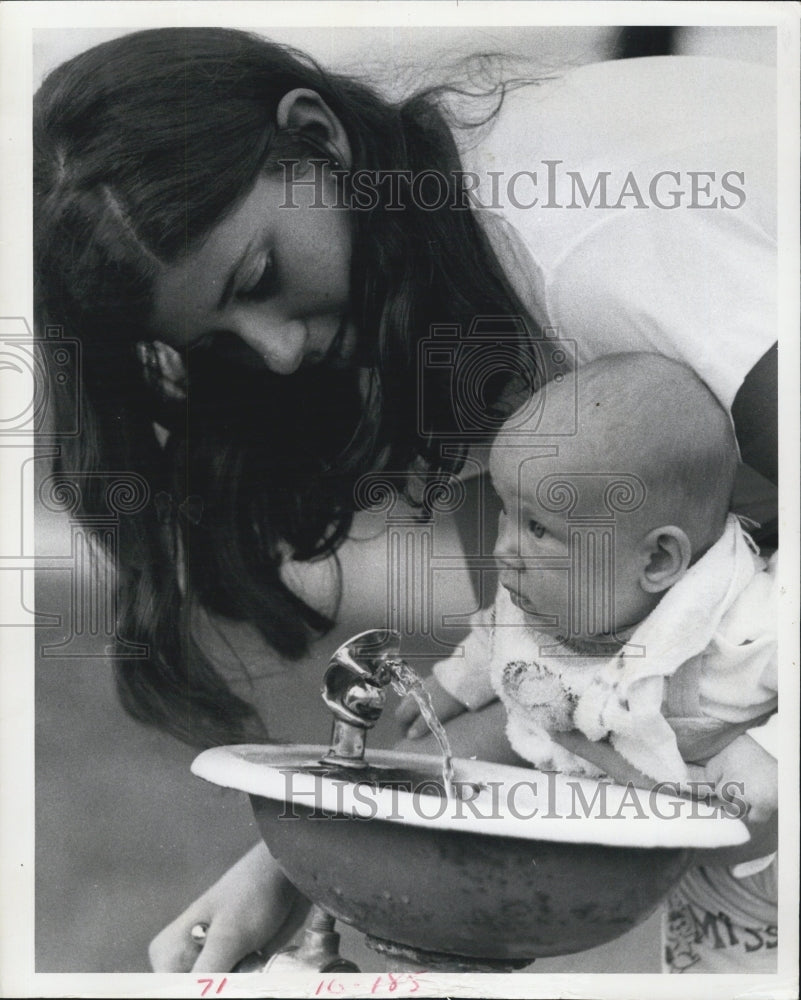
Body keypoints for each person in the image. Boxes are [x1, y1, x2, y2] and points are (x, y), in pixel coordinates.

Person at [33, 28, 778, 972]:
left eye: (259, 279)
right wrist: (297, 862)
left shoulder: (585, 245)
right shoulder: (446, 294)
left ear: (315, 138)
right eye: (218, 343)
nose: (278, 353)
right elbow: (539, 676)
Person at [398, 353, 778, 973]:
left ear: (657, 561)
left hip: (764, 840)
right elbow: (502, 630)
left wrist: (772, 753)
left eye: (539, 529)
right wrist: (456, 683)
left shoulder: (744, 629)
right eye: (505, 514)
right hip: (666, 835)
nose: (503, 551)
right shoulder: (549, 587)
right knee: (699, 964)